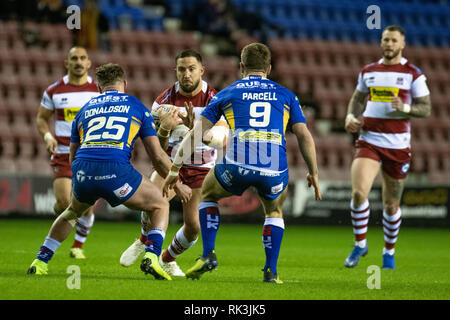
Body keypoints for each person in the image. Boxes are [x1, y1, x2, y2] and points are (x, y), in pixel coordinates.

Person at [163, 43, 322, 284]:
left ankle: (208, 255)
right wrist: (314, 172)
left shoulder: (227, 93)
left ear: (241, 67)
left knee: (207, 194)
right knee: (274, 211)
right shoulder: (287, 95)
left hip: (237, 166)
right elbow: (304, 135)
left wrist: (175, 169)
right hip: (274, 169)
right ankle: (271, 271)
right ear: (268, 68)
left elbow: (195, 134)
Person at [27, 63, 192, 280]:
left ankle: (40, 260)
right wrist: (176, 183)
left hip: (82, 171)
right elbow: (158, 156)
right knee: (159, 204)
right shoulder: (135, 105)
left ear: (98, 87)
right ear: (124, 83)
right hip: (115, 170)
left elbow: (72, 155)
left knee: (71, 212)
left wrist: (82, 176)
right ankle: (151, 257)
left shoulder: (85, 110)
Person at [120, 49, 228, 277]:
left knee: (194, 227)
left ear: (201, 70)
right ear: (175, 71)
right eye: (181, 69)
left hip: (201, 168)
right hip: (170, 164)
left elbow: (220, 141)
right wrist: (165, 128)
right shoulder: (163, 102)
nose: (186, 74)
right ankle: (143, 239)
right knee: (152, 203)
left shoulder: (215, 100)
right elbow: (157, 147)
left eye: (191, 69)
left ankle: (168, 259)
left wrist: (195, 130)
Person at [344, 25, 431, 269]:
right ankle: (360, 245)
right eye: (385, 40)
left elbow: (426, 109)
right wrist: (350, 116)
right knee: (359, 193)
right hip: (369, 140)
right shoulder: (369, 71)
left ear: (402, 44)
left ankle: (389, 251)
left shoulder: (413, 74)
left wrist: (405, 108)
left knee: (391, 204)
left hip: (398, 146)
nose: (388, 44)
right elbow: (357, 98)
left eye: (393, 40)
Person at [36, 46, 99, 259]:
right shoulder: (54, 90)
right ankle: (61, 217)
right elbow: (41, 118)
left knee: (85, 207)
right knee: (65, 204)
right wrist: (47, 136)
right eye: (74, 58)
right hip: (63, 153)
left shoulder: (98, 90)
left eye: (83, 58)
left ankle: (78, 245)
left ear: (89, 63)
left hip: (89, 155)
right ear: (67, 63)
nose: (79, 62)